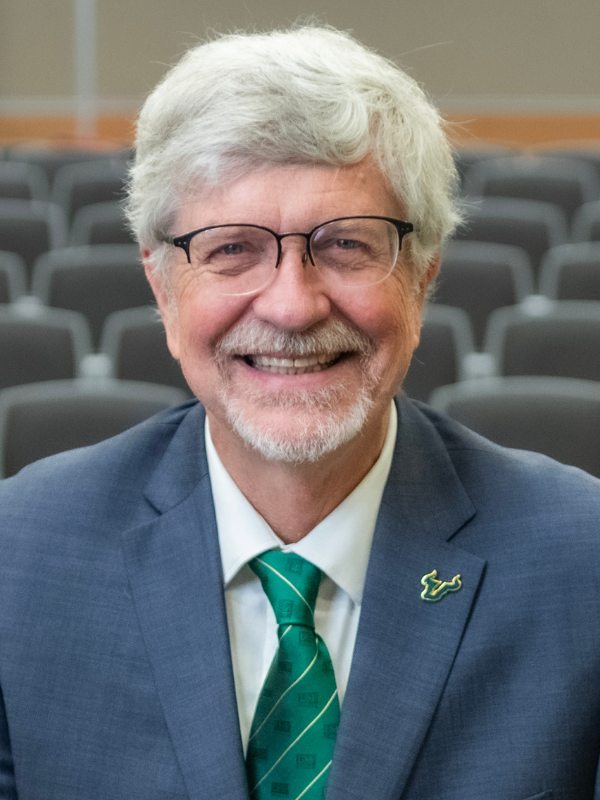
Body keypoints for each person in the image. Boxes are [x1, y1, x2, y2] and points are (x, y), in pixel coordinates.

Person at [0, 25, 599, 800]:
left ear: (422, 279)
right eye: (231, 249)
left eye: (346, 244)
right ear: (162, 289)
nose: (291, 306)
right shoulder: (18, 558)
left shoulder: (582, 563)